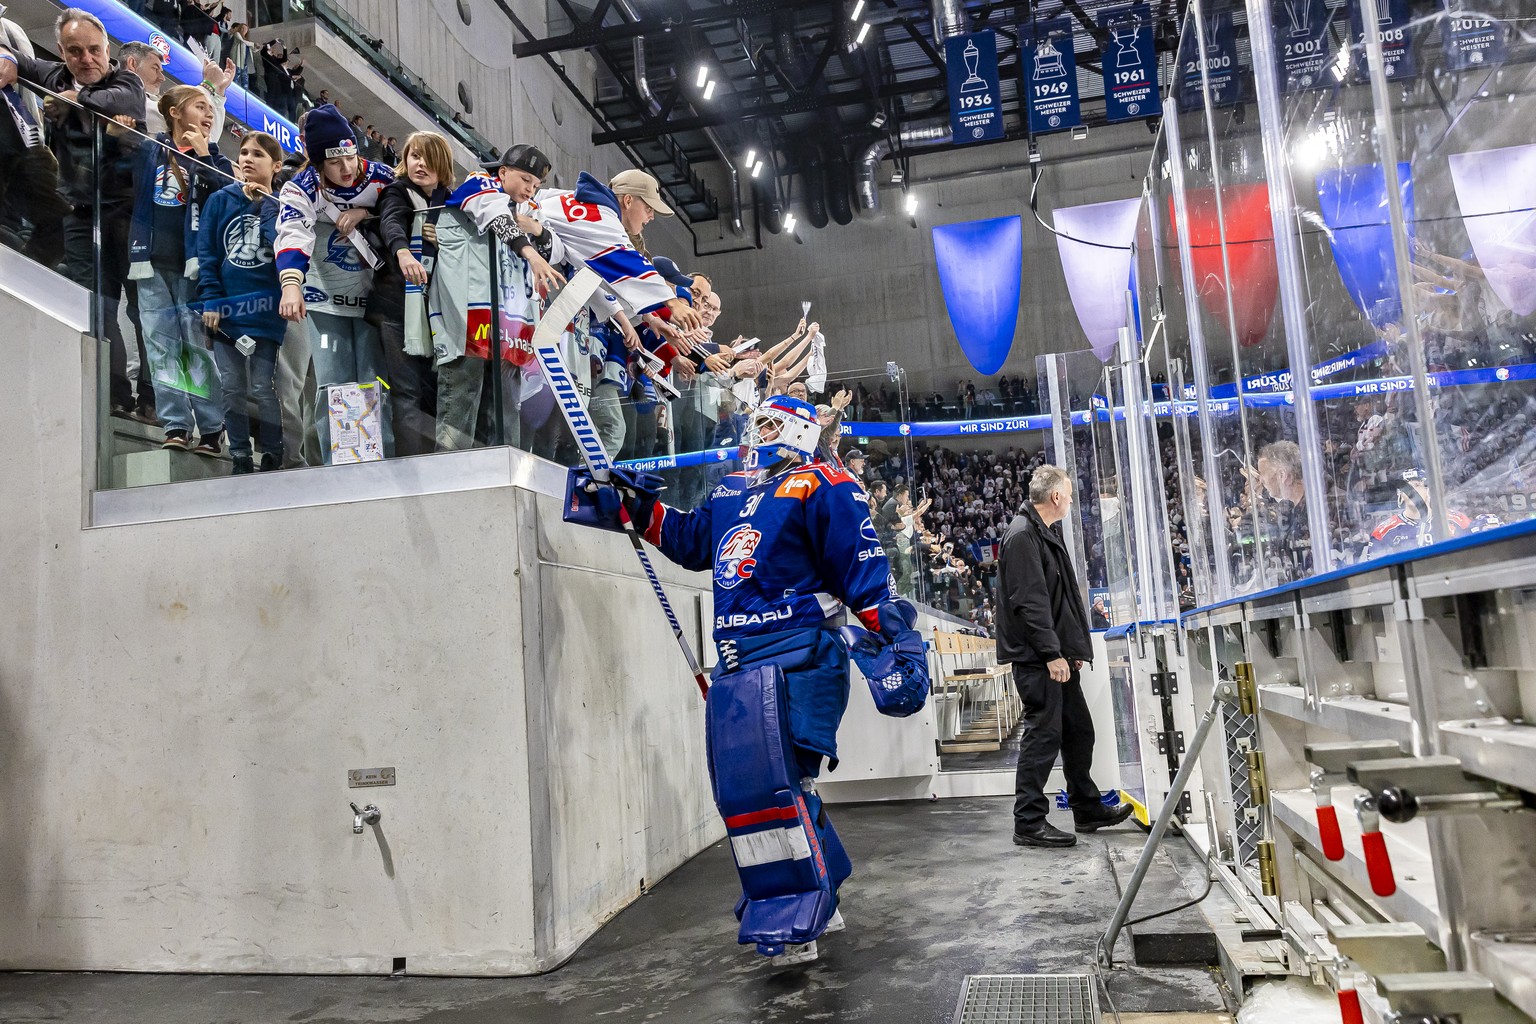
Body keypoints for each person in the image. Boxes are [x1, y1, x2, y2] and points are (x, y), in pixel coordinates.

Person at [565, 393, 927, 965]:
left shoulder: (825, 483)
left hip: (802, 660)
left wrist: (900, 640)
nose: (752, 430)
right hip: (739, 665)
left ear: (799, 429)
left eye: (766, 421)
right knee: (753, 790)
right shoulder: (732, 489)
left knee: (781, 785)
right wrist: (630, 507)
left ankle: (795, 915)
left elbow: (864, 574)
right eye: (752, 420)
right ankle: (819, 896)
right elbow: (691, 543)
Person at [0, 9, 146, 418]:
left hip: (129, 216)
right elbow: (19, 58)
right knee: (95, 307)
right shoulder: (55, 75)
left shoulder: (126, 80)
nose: (87, 59)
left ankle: (150, 401)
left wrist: (74, 101)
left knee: (141, 311)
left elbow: (126, 100)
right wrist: (8, 62)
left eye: (95, 50)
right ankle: (112, 394)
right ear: (63, 52)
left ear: (108, 49)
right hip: (80, 215)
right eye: (76, 51)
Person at [996, 464, 1131, 848]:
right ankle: (1028, 822)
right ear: (1055, 497)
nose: (1071, 500)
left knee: (1078, 731)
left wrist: (1067, 651)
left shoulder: (1043, 532)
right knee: (1044, 735)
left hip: (1055, 656)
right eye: (1069, 494)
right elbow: (1030, 603)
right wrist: (1052, 654)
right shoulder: (1023, 536)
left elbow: (1058, 600)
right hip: (1039, 659)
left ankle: (1086, 808)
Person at [274, 103, 395, 463]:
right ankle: (340, 465)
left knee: (376, 383)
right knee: (333, 383)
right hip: (326, 300)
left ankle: (378, 462)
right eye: (333, 161)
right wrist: (291, 285)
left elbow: (406, 207)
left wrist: (367, 212)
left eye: (350, 156)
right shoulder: (301, 188)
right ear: (316, 162)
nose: (346, 168)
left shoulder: (382, 177)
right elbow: (292, 232)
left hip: (374, 301)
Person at [128, 84, 232, 453]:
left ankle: (211, 427)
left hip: (195, 270)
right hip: (150, 262)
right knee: (160, 347)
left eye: (211, 109)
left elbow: (225, 201)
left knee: (195, 349)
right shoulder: (148, 149)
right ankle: (175, 425)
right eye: (200, 107)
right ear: (175, 113)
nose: (208, 115)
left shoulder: (215, 158)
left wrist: (205, 156)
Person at [198, 130, 284, 473]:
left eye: (257, 155)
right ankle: (239, 456)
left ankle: (272, 452)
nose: (247, 159)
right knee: (232, 388)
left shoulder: (283, 205)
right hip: (227, 312)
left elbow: (280, 247)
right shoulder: (220, 200)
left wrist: (264, 204)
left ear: (276, 166)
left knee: (264, 386)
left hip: (265, 312)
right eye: (244, 153)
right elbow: (207, 254)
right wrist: (211, 300)